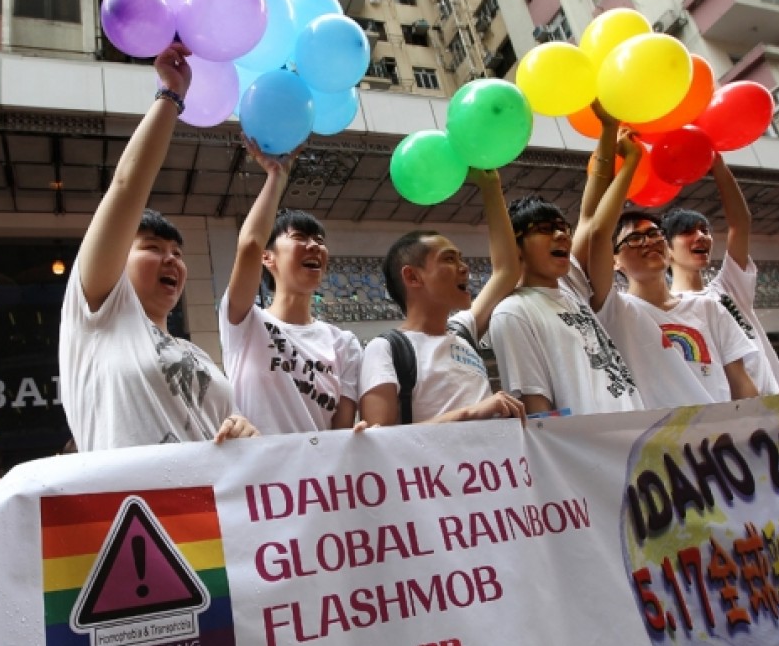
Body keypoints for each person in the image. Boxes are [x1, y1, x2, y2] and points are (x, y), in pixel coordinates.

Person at [59, 42, 258, 451]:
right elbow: (127, 185)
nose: (171, 259)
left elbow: (228, 439)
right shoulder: (98, 316)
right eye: (152, 246)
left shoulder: (196, 355)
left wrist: (243, 431)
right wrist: (171, 95)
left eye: (179, 254)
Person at [575, 131, 759, 405]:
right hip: (662, 444)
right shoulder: (614, 309)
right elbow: (598, 232)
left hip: (721, 442)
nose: (648, 242)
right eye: (635, 239)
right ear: (614, 261)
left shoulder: (709, 308)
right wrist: (631, 163)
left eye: (655, 234)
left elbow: (742, 385)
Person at [488, 112, 642, 416]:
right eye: (544, 230)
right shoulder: (513, 313)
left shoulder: (569, 283)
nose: (561, 235)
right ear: (515, 246)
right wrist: (632, 163)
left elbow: (590, 213)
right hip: (592, 453)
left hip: (635, 437)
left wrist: (608, 130)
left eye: (562, 229)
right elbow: (537, 411)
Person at [359, 169, 526, 425]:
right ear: (413, 277)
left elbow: (506, 271)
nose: (464, 267)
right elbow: (380, 443)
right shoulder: (386, 349)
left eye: (461, 258)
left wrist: (491, 186)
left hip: (491, 463)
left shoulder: (462, 331)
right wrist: (471, 413)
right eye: (449, 259)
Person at [220, 139, 362, 434]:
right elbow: (249, 244)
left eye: (320, 241)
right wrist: (276, 177)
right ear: (268, 258)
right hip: (253, 476)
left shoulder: (344, 344)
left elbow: (340, 432)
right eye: (300, 238)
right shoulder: (245, 322)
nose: (314, 246)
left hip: (314, 479)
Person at [661, 155, 779, 395]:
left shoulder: (729, 287)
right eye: (687, 232)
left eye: (704, 230)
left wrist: (719, 169)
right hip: (734, 419)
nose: (700, 236)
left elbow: (740, 223)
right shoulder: (667, 310)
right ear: (667, 250)